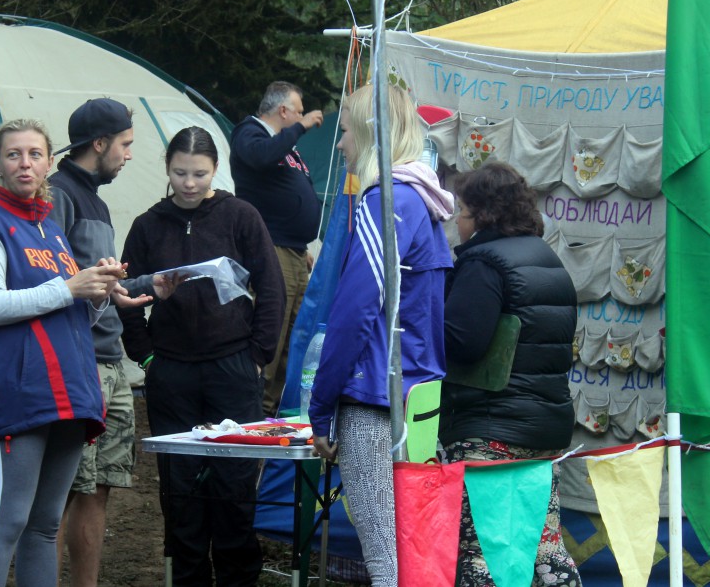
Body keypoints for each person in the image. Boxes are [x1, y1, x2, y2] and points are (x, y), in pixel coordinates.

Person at [0, 119, 122, 587]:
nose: (24, 164)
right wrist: (70, 287)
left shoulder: (50, 228)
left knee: (46, 525)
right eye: (13, 154)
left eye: (34, 154)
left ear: (49, 162)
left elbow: (69, 316)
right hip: (20, 391)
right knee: (9, 520)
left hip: (70, 390)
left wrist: (98, 293)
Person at [118, 126, 284, 587]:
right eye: (179, 173)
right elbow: (126, 293)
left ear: (215, 170)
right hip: (171, 372)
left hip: (233, 368)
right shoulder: (148, 225)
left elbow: (271, 288)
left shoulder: (240, 216)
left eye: (199, 174)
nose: (189, 184)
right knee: (181, 489)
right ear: (167, 170)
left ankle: (237, 579)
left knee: (233, 485)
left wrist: (258, 355)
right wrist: (146, 357)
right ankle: (187, 578)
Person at [308, 84, 454, 586]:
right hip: (415, 400)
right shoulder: (424, 200)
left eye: (346, 131)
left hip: (375, 400)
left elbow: (353, 313)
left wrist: (320, 408)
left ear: (371, 134)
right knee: (410, 554)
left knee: (388, 561)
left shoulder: (385, 200)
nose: (340, 144)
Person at [48, 98, 178, 586]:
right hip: (77, 366)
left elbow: (97, 286)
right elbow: (52, 284)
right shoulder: (59, 195)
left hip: (110, 364)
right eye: (124, 144)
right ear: (99, 144)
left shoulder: (96, 201)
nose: (128, 155)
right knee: (60, 494)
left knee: (98, 489)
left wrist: (144, 286)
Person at [440, 162, 582, 587]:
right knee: (543, 549)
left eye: (462, 210)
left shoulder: (484, 262)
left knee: (482, 553)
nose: (457, 221)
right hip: (543, 432)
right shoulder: (548, 259)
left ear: (482, 215)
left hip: (489, 431)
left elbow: (463, 342)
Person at [229, 81, 324, 416]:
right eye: (299, 111)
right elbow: (260, 157)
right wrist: (300, 127)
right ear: (283, 111)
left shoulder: (284, 145)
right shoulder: (249, 133)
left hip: (294, 250)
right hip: (271, 248)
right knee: (273, 328)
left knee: (294, 335)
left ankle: (272, 411)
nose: (303, 117)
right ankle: (254, 409)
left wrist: (299, 242)